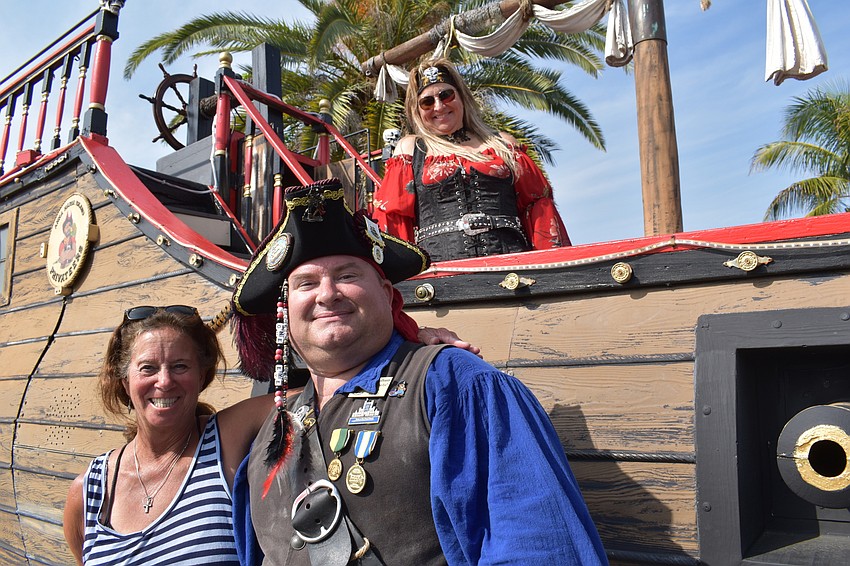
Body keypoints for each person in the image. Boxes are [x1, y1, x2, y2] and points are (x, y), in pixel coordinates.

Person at [230, 178, 607, 565]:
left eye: (347, 276)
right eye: (306, 283)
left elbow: (537, 549)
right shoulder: (268, 439)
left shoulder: (455, 384)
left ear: (388, 294)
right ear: (284, 314)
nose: (327, 294)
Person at [62, 305, 476, 565]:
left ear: (202, 376)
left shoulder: (227, 435)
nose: (165, 382)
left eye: (181, 367)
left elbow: (335, 386)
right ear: (123, 377)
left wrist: (412, 342)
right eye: (148, 368)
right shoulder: (90, 491)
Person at [372, 57, 571, 262]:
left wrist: (553, 267)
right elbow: (393, 219)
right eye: (427, 102)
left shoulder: (502, 144)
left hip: (513, 268)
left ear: (461, 97)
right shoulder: (411, 149)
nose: (439, 107)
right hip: (443, 273)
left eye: (446, 95)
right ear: (417, 110)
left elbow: (539, 209)